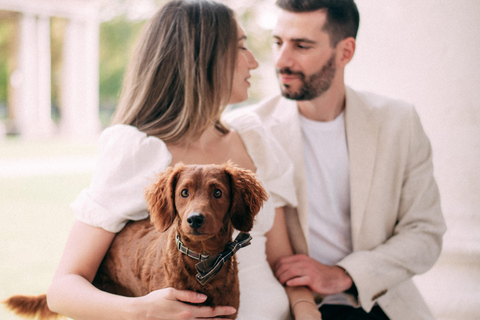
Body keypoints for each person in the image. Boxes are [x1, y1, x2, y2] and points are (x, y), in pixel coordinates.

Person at [46, 1, 321, 319]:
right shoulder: (140, 151)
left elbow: (284, 264)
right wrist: (142, 310)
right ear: (204, 59)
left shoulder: (254, 140)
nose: (255, 63)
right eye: (242, 48)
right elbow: (63, 289)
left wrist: (306, 310)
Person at [224, 0, 447, 319]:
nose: (281, 60)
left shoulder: (399, 122)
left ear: (345, 52)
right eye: (277, 42)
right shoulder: (246, 130)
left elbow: (425, 232)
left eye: (301, 45)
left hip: (381, 303)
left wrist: (343, 274)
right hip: (292, 309)